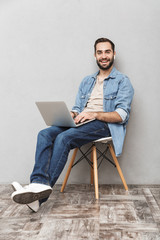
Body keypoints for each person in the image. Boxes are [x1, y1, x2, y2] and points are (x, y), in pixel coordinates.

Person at [11, 37, 134, 212]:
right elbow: (78, 107)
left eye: (107, 51)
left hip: (104, 125)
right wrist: (73, 114)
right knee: (44, 134)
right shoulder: (87, 81)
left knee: (64, 137)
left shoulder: (123, 81)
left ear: (114, 54)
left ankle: (41, 195)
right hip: (83, 121)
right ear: (95, 55)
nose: (103, 56)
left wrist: (95, 114)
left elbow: (121, 115)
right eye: (100, 52)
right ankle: (37, 184)